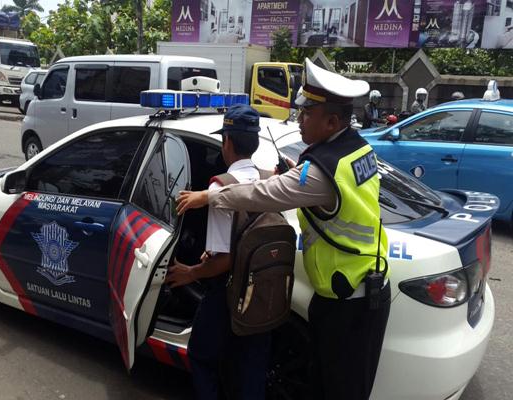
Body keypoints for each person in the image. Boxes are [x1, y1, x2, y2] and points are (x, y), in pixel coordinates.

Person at [176, 58, 391, 400]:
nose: (299, 118)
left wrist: (211, 195)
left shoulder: (323, 170)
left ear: (332, 121)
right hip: (359, 286)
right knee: (336, 384)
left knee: (338, 390)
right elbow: (317, 184)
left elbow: (266, 194)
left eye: (307, 114)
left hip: (347, 300)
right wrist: (297, 171)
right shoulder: (355, 148)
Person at [166, 104, 271, 400]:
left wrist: (190, 273)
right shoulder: (267, 178)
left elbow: (224, 260)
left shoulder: (220, 187)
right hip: (260, 291)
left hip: (227, 293)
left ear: (227, 143)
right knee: (249, 367)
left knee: (201, 356)